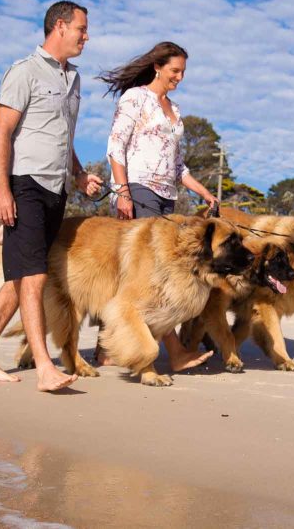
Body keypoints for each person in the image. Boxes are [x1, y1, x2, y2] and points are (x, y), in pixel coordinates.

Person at [0, 0, 103, 392]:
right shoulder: (23, 72)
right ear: (60, 26)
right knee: (35, 277)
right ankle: (45, 367)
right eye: (81, 29)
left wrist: (78, 176)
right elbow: (1, 133)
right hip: (25, 184)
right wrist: (1, 190)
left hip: (55, 188)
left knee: (18, 280)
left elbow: (64, 135)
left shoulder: (72, 79)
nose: (86, 36)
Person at [98, 41, 219, 371]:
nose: (179, 77)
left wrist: (205, 194)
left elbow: (179, 167)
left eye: (183, 72)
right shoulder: (135, 98)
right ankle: (175, 352)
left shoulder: (175, 111)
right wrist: (122, 191)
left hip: (167, 197)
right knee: (153, 276)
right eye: (174, 70)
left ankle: (106, 349)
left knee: (140, 276)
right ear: (157, 66)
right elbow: (115, 148)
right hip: (138, 188)